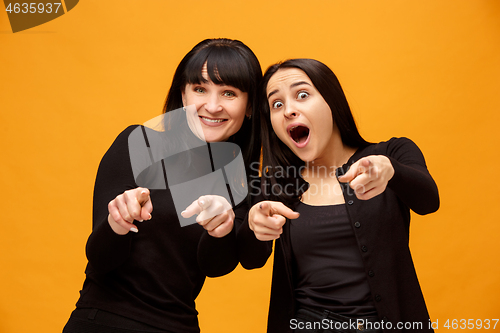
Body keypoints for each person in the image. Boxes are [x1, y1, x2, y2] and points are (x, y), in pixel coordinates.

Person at [63, 38, 262, 333]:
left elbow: (217, 267)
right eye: (199, 89)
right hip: (102, 321)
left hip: (176, 326)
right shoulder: (140, 144)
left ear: (249, 106)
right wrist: (118, 222)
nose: (212, 105)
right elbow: (100, 259)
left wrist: (221, 231)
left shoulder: (244, 180)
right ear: (183, 94)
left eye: (229, 93)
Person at [237, 59, 439, 333]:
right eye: (277, 104)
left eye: (302, 95)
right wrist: (252, 223)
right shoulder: (275, 185)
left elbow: (429, 201)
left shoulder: (391, 154)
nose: (288, 111)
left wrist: (391, 171)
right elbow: (251, 259)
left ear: (331, 100)